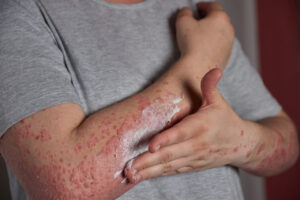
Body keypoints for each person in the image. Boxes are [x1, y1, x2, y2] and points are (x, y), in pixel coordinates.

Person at [0, 0, 298, 199]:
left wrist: (240, 143)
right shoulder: (20, 15)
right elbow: (68, 187)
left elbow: (286, 141)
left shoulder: (190, 13)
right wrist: (202, 59)